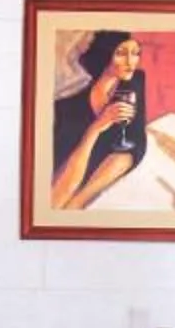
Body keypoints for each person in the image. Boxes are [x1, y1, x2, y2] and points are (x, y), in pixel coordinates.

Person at [50, 30, 146, 210]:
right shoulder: (68, 108)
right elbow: (55, 198)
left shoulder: (133, 83)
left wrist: (80, 200)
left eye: (135, 53)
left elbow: (136, 145)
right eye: (121, 53)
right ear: (105, 55)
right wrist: (96, 128)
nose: (131, 62)